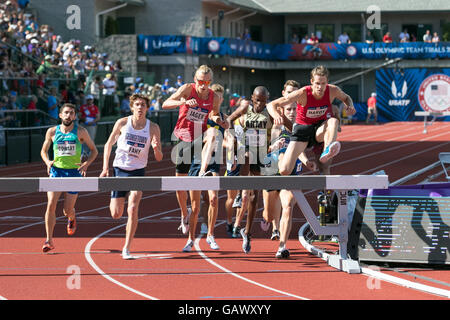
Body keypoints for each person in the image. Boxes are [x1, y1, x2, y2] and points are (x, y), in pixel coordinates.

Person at [162, 65, 227, 252]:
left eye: (207, 82)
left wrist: (219, 120)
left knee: (212, 135)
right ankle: (184, 214)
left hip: (200, 138)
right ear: (195, 79)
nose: (203, 86)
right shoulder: (187, 89)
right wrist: (182, 102)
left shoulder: (214, 97)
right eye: (200, 81)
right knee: (180, 187)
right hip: (183, 138)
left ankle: (203, 169)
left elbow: (213, 114)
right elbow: (165, 103)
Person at [100, 93, 163, 259]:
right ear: (132, 107)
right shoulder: (122, 123)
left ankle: (126, 247)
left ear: (147, 108)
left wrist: (156, 149)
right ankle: (114, 199)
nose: (140, 108)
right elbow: (108, 145)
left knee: (133, 208)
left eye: (143, 105)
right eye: (137, 105)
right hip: (119, 169)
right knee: (116, 214)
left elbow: (159, 158)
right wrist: (105, 167)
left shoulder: (153, 127)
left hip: (138, 170)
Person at [267, 65, 356, 178]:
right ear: (312, 82)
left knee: (333, 121)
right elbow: (271, 104)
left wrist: (350, 105)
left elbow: (346, 97)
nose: (320, 87)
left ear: (327, 82)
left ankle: (327, 150)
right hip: (302, 131)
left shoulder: (333, 90)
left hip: (319, 130)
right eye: (317, 83)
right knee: (285, 170)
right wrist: (276, 115)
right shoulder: (303, 93)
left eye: (323, 83)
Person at [40, 103, 98, 253]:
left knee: (67, 210)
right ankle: (49, 240)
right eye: (66, 113)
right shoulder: (52, 132)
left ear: (75, 116)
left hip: (74, 173)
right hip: (56, 172)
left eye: (71, 113)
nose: (68, 115)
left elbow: (94, 151)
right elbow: (43, 151)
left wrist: (86, 164)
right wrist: (48, 162)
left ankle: (71, 218)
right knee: (51, 205)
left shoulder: (81, 132)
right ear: (60, 115)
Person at [226, 86, 275, 253]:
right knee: (246, 155)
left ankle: (247, 232)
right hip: (247, 150)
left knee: (255, 197)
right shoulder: (245, 110)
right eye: (258, 100)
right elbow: (230, 121)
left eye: (264, 100)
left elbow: (284, 128)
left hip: (262, 154)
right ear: (252, 99)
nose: (261, 104)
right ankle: (240, 194)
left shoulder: (270, 113)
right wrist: (234, 138)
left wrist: (276, 139)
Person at [188, 84, 227, 250]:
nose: (216, 101)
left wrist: (229, 143)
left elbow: (227, 138)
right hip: (196, 160)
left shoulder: (225, 119)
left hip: (214, 163)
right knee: (195, 206)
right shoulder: (201, 115)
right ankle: (190, 239)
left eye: (219, 97)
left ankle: (211, 235)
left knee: (213, 199)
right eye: (214, 97)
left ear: (222, 99)